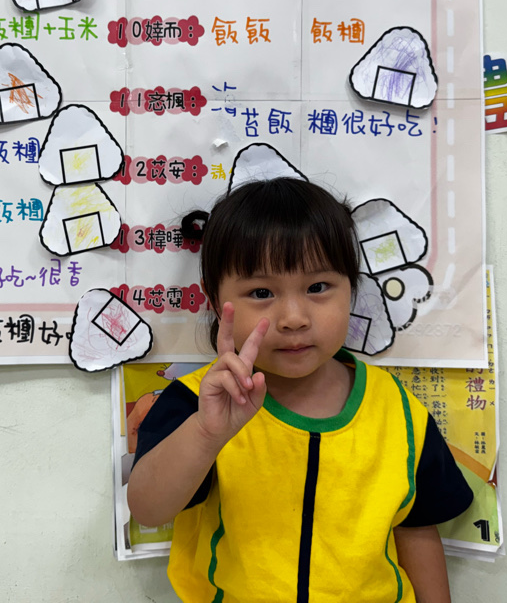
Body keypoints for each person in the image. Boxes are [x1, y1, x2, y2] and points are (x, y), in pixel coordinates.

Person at [126, 177, 473, 603]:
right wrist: (205, 433)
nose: (293, 317)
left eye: (318, 287)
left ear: (351, 289)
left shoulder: (398, 410)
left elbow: (417, 529)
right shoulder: (197, 402)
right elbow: (148, 510)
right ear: (216, 302)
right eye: (261, 292)